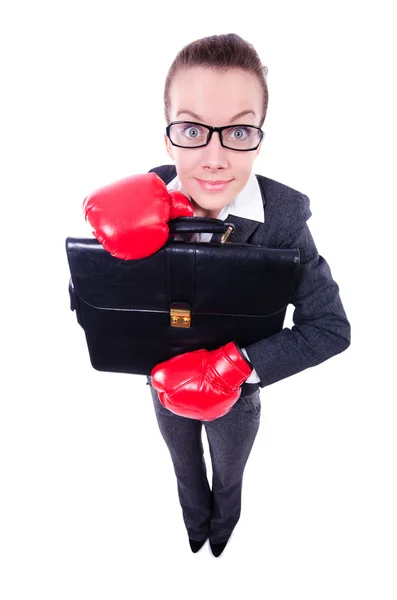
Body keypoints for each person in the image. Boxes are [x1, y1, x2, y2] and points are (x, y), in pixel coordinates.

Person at [82, 33, 351, 557]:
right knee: (183, 468)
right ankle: (193, 528)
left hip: (239, 395)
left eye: (239, 130)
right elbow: (99, 296)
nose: (214, 156)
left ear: (259, 136)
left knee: (229, 474)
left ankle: (223, 530)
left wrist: (235, 368)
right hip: (161, 380)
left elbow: (331, 328)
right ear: (168, 138)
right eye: (192, 129)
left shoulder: (284, 219)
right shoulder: (143, 194)